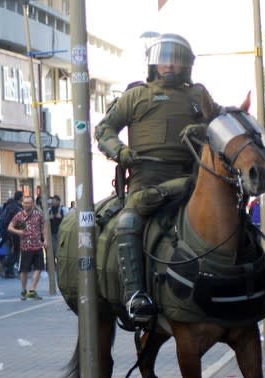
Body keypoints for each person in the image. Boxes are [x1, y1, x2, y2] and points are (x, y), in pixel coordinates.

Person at [93, 33, 221, 326]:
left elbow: (219, 126)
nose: (171, 66)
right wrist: (121, 151)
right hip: (146, 179)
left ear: (187, 66)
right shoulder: (136, 95)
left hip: (194, 177)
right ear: (153, 64)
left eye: (177, 61)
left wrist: (201, 131)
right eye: (166, 60)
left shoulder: (198, 96)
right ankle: (135, 294)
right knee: (128, 222)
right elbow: (104, 130)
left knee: (230, 212)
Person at [8, 195, 45, 300]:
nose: (26, 205)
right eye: (24, 203)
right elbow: (10, 227)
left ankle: (32, 290)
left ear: (32, 204)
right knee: (24, 271)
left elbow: (43, 227)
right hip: (25, 247)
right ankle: (23, 290)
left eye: (28, 203)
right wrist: (18, 231)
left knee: (39, 268)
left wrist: (45, 239)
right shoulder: (19, 216)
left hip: (37, 246)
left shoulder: (38, 215)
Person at [0, 191, 24, 278]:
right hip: (12, 233)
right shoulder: (16, 208)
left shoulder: (9, 206)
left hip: (7, 233)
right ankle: (2, 265)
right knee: (14, 252)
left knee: (14, 252)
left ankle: (9, 272)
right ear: (21, 198)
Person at [47, 195, 67, 264]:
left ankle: (60, 262)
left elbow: (67, 219)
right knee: (52, 249)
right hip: (52, 232)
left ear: (58, 201)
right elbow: (45, 220)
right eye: (53, 201)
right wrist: (49, 217)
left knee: (60, 249)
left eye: (55, 201)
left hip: (60, 232)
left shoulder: (63, 209)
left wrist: (61, 217)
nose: (53, 202)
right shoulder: (49, 210)